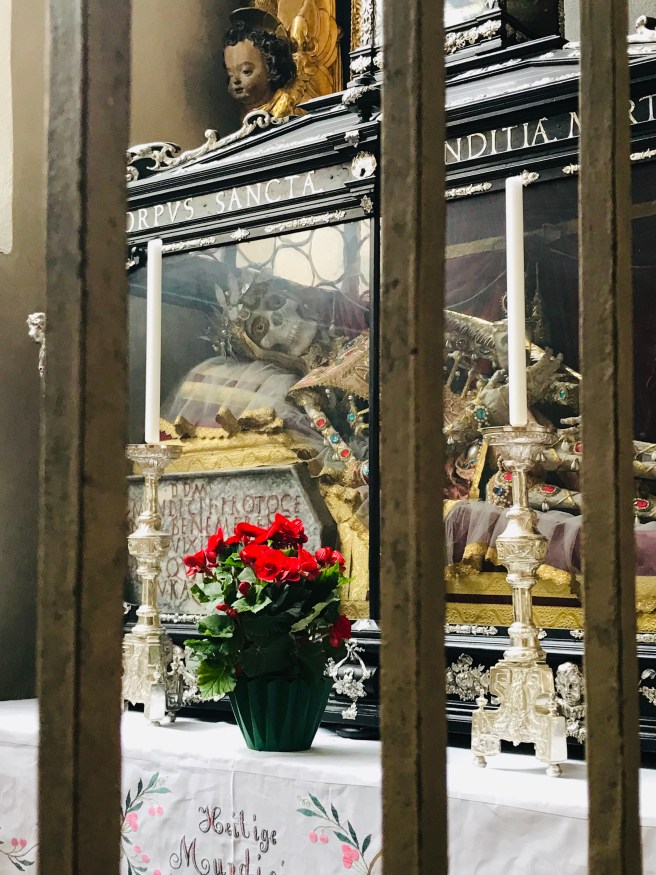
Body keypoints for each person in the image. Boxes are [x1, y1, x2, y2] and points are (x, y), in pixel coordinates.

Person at [223, 8, 300, 119]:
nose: (235, 80)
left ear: (271, 68)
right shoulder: (245, 114)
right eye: (230, 75)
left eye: (246, 71)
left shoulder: (285, 107)